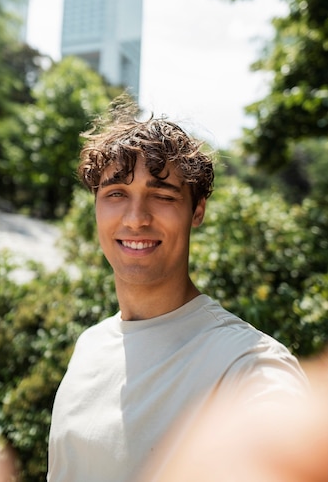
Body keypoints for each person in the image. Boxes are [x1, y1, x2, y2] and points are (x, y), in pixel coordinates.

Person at [47, 101, 310, 482]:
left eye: (164, 195)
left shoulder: (247, 365)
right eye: (116, 193)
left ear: (197, 211)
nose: (136, 218)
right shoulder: (89, 345)